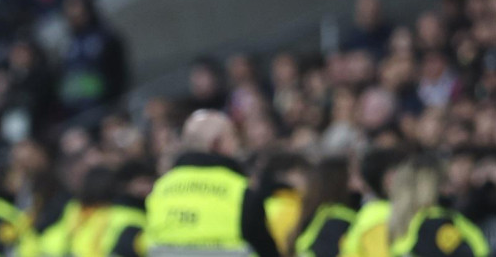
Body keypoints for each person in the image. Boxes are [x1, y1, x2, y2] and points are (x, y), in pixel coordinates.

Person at [144, 110, 279, 256]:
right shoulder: (239, 191)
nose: (237, 145)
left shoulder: (160, 188)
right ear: (216, 144)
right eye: (232, 137)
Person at [386, 153, 490, 257]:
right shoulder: (436, 224)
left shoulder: (406, 224)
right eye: (446, 181)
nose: (451, 188)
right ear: (433, 187)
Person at [290, 157, 356, 257]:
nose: (358, 182)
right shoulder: (338, 219)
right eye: (352, 177)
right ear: (340, 182)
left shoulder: (319, 214)